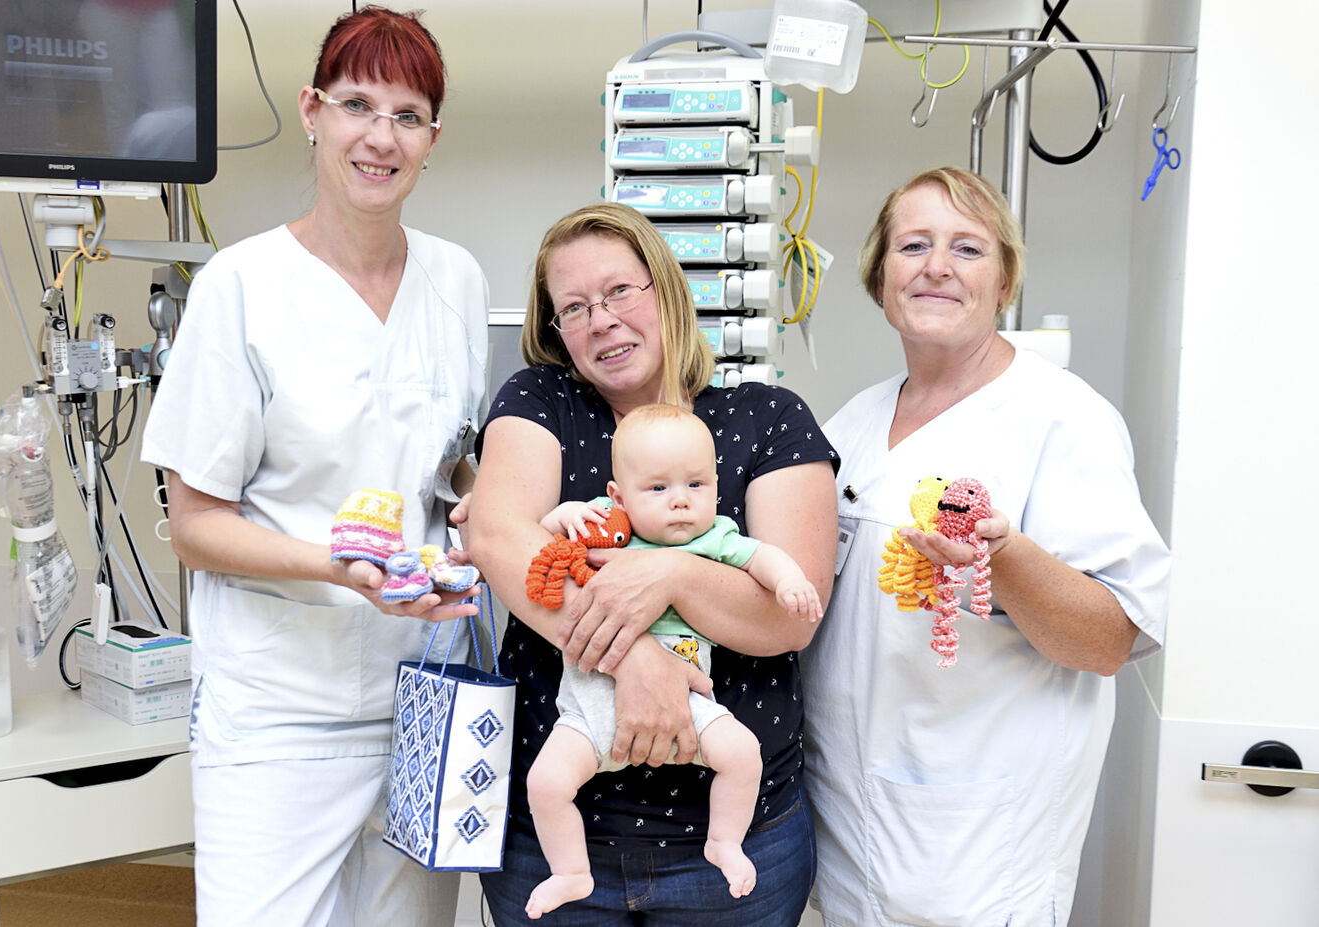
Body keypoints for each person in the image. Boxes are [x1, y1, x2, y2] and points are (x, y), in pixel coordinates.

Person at [139, 8, 486, 925]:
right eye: (357, 105)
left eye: (408, 116)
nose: (381, 136)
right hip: (279, 707)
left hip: (424, 691)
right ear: (312, 110)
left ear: (432, 139)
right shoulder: (239, 289)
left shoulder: (456, 280)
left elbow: (453, 470)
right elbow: (194, 526)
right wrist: (340, 569)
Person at [801, 166, 1171, 927]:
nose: (936, 266)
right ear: (879, 279)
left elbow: (1109, 639)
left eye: (967, 249)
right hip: (845, 826)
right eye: (913, 245)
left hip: (978, 846)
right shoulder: (852, 425)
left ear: (1004, 283)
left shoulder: (1061, 419)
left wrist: (1005, 562)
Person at [462, 201, 838, 927]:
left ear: (665, 290)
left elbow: (788, 616)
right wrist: (637, 659)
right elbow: (501, 540)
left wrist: (669, 575)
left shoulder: (768, 418)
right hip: (552, 837)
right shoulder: (541, 402)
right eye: (572, 308)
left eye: (618, 292)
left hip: (738, 839)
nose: (599, 319)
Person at [525, 403, 823, 919]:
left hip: (690, 700)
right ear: (619, 495)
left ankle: (724, 841)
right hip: (590, 709)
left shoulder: (714, 538)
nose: (681, 502)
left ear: (716, 484)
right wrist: (563, 515)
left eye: (697, 486)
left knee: (742, 753)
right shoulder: (602, 523)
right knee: (546, 784)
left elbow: (762, 557)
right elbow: (537, 534)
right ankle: (570, 872)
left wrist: (791, 580)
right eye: (658, 489)